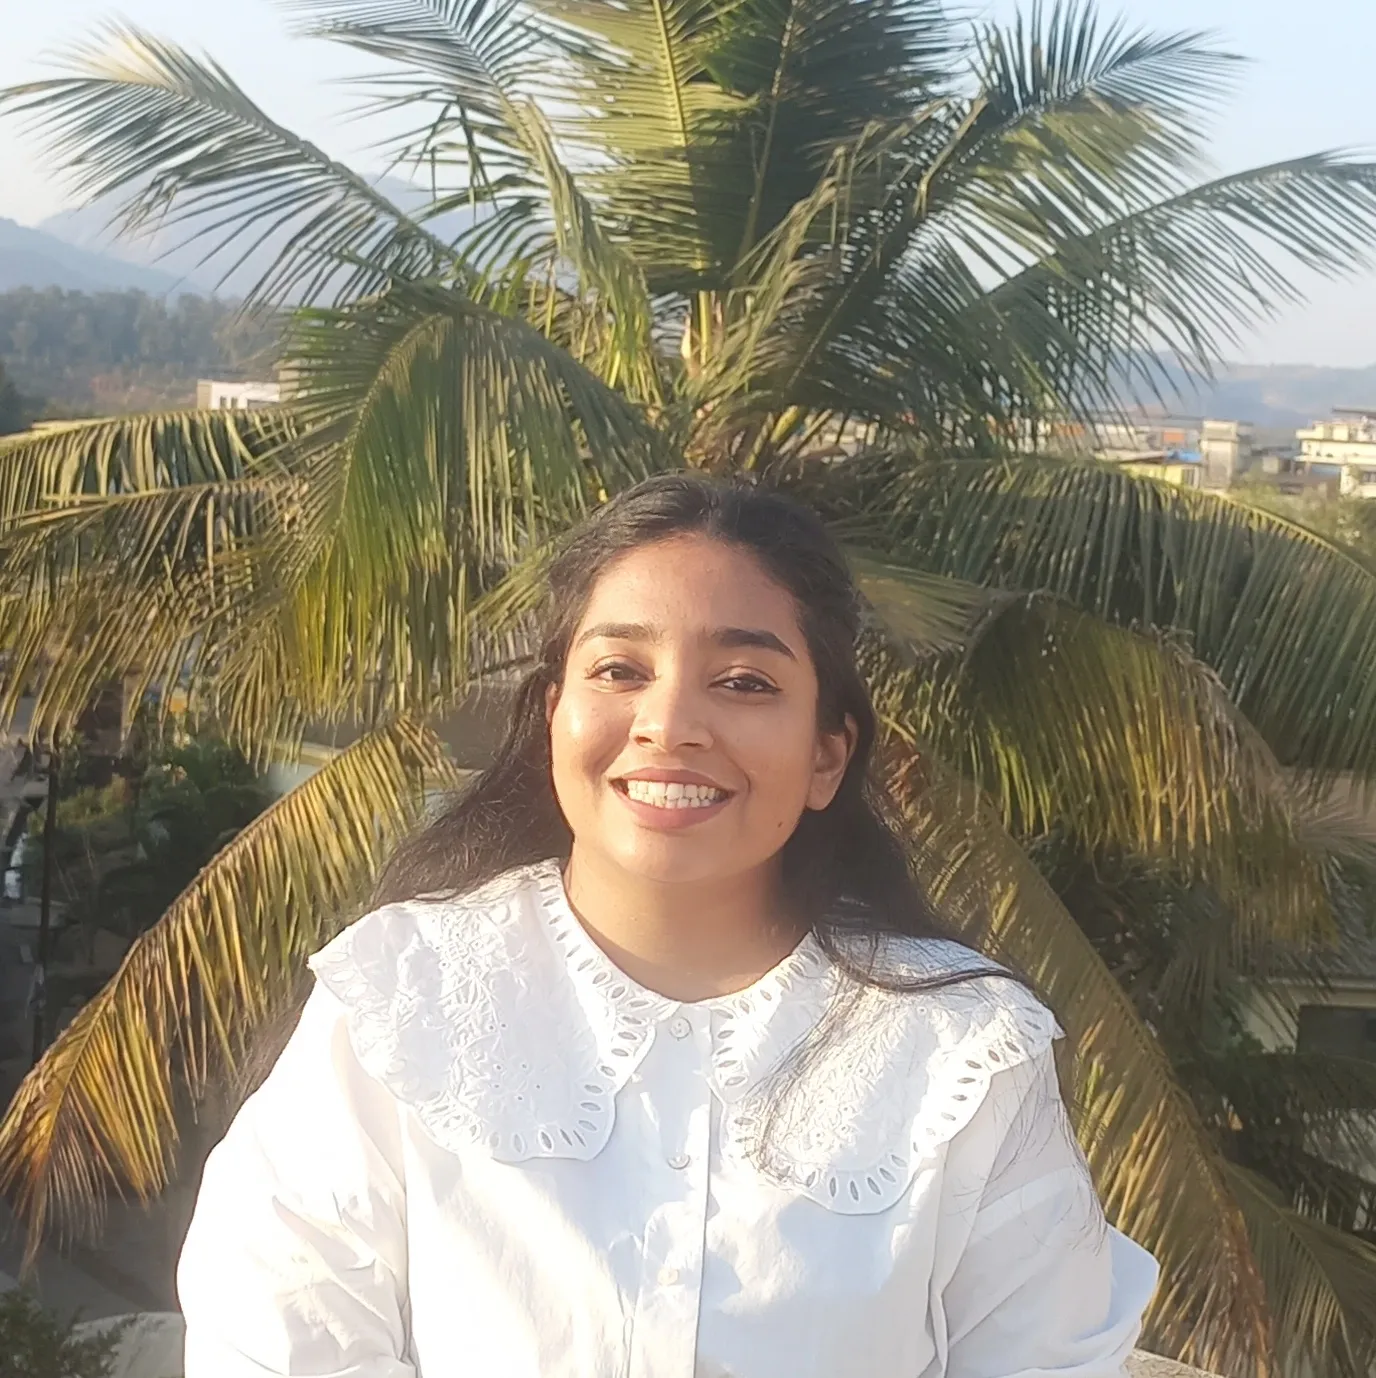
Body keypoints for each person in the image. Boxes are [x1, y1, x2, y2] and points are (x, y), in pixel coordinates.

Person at [177, 473, 1158, 1377]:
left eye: (743, 682)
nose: (669, 722)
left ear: (826, 755)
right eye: (618, 669)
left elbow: (1043, 1357)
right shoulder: (399, 998)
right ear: (554, 713)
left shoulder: (962, 1055)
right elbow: (271, 1335)